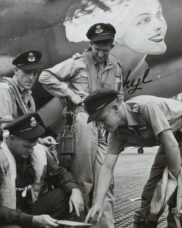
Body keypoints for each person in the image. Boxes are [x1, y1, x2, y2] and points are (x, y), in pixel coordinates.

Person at [84, 88, 182, 228]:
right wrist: (98, 203)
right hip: (170, 139)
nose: (101, 126)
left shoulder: (144, 108)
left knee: (180, 199)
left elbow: (171, 145)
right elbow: (107, 167)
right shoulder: (117, 133)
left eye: (102, 119)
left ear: (115, 108)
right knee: (148, 201)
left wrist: (172, 182)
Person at [39, 23, 123, 228]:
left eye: (105, 49)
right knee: (83, 181)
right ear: (91, 44)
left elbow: (120, 96)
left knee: (106, 181)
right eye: (97, 49)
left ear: (112, 46)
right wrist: (71, 95)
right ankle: (80, 224)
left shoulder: (116, 66)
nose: (101, 53)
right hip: (84, 122)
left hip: (106, 127)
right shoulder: (77, 63)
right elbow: (45, 76)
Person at [0, 49, 55, 208]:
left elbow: (27, 128)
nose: (31, 77)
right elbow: (5, 129)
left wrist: (40, 140)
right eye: (27, 72)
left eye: (35, 73)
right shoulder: (4, 89)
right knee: (8, 166)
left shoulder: (28, 96)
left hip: (5, 137)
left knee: (42, 154)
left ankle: (33, 203)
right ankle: (9, 213)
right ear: (16, 71)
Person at [0, 113, 84, 228]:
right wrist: (31, 220)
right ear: (11, 138)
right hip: (6, 217)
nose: (31, 150)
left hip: (29, 210)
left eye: (33, 146)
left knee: (68, 196)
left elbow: (59, 173)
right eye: (26, 146)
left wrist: (75, 190)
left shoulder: (37, 152)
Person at [63, 0, 167, 95]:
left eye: (158, 14)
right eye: (144, 20)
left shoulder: (142, 70)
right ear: (117, 33)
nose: (159, 25)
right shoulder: (85, 84)